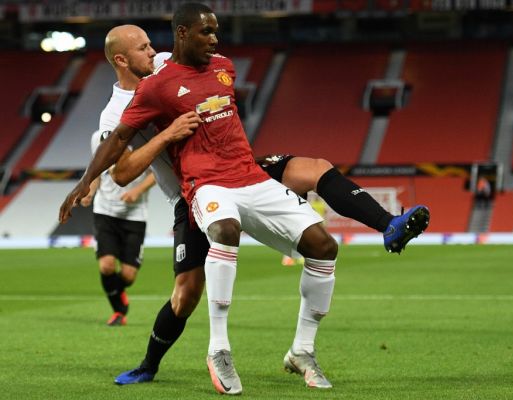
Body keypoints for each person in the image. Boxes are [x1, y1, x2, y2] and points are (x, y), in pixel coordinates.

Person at [59, 7, 429, 394]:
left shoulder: (176, 62)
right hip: (192, 191)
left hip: (238, 167)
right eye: (143, 49)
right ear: (121, 59)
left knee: (315, 169)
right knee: (186, 295)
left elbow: (204, 71)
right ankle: (150, 364)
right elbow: (120, 171)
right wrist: (159, 139)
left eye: (154, 44)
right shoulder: (118, 110)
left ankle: (389, 225)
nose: (154, 52)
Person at [80, 129, 155, 326]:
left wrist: (137, 191)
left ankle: (117, 291)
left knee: (128, 276)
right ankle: (119, 312)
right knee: (106, 266)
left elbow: (157, 173)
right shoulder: (98, 137)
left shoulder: (144, 138)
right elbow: (96, 169)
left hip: (135, 215)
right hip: (105, 211)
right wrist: (90, 191)